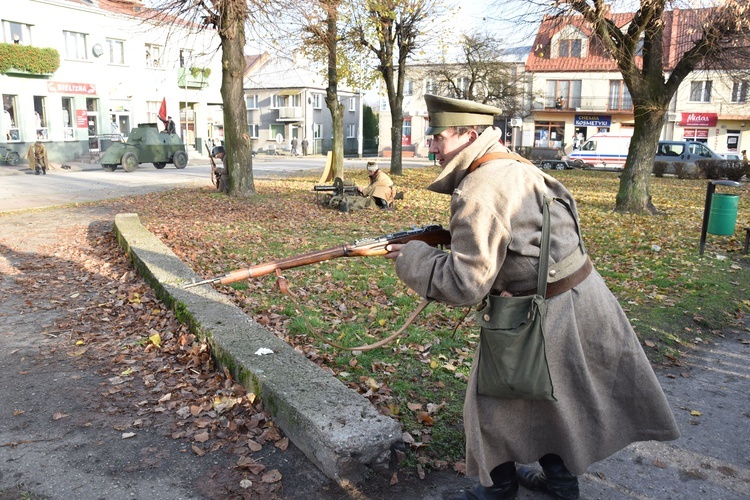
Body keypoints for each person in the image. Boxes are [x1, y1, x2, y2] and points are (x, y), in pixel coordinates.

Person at [384, 94, 679, 500]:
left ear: (469, 135)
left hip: (546, 314)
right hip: (577, 299)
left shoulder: (480, 188)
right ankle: (560, 485)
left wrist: (414, 257)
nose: (430, 146)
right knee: (552, 403)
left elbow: (465, 284)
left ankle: (498, 492)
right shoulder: (510, 165)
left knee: (489, 407)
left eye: (438, 137)